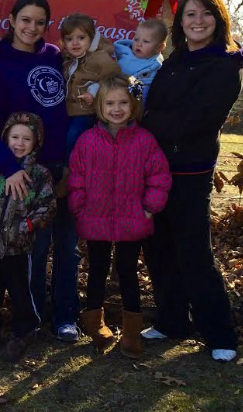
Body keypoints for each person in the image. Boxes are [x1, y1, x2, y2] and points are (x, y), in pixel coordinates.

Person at [141, 0, 243, 362]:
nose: (197, 21)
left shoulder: (224, 67)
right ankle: (172, 321)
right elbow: (157, 108)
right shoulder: (174, 61)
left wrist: (149, 121)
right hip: (155, 170)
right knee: (159, 248)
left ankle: (220, 334)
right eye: (190, 15)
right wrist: (153, 119)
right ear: (180, 23)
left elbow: (194, 121)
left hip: (190, 171)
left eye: (205, 14)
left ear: (218, 20)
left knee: (194, 252)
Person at [0, 0, 80, 342]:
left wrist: (68, 164)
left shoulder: (54, 56)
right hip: (24, 174)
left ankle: (66, 316)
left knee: (67, 245)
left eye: (39, 22)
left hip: (61, 166)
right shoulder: (0, 61)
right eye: (26, 20)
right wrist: (10, 169)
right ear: (12, 21)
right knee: (33, 250)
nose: (32, 27)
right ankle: (30, 320)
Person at [68, 75, 171, 358]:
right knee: (97, 272)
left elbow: (159, 177)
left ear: (133, 104)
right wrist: (79, 205)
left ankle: (131, 330)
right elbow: (76, 176)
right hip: (95, 218)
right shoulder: (88, 141)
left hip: (132, 220)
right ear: (100, 106)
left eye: (123, 102)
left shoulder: (144, 140)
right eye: (110, 103)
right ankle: (95, 323)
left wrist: (149, 207)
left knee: (128, 273)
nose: (117, 109)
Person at [0, 112, 56, 362]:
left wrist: (29, 224)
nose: (19, 143)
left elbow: (47, 205)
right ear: (5, 138)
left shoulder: (39, 175)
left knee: (21, 291)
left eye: (26, 138)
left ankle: (23, 331)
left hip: (19, 246)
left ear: (36, 142)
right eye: (15, 137)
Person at [61, 13, 121, 156]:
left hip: (87, 111)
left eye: (81, 38)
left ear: (91, 38)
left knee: (73, 137)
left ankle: (69, 167)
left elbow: (114, 77)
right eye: (69, 39)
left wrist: (94, 91)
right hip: (69, 110)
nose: (75, 43)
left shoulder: (99, 58)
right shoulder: (68, 60)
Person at [114, 19, 168, 105]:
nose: (139, 44)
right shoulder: (125, 53)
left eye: (146, 41)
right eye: (136, 39)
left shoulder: (155, 65)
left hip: (136, 101)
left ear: (159, 47)